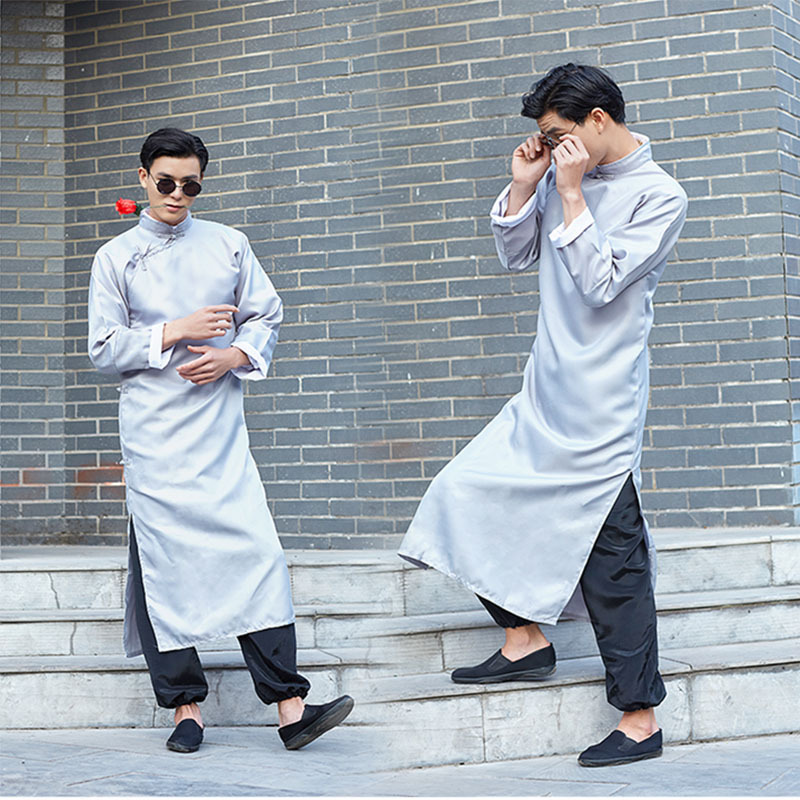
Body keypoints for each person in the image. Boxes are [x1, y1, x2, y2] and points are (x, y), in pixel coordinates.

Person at [398, 64, 687, 767]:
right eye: (545, 138)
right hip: (543, 391)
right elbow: (516, 255)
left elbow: (599, 283)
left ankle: (640, 719)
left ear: (598, 120)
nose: (551, 145)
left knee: (612, 562)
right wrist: (526, 187)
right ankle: (524, 639)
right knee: (459, 493)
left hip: (602, 403)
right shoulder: (560, 177)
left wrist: (570, 190)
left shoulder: (660, 195)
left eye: (557, 134)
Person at [88, 128, 353, 754]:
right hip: (156, 433)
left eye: (191, 185)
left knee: (256, 554)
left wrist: (234, 355)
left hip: (219, 431)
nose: (178, 195)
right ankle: (185, 709)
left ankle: (291, 707)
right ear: (143, 178)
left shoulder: (229, 244)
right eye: (166, 182)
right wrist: (174, 331)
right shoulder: (115, 257)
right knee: (164, 566)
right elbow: (103, 347)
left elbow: (266, 313)